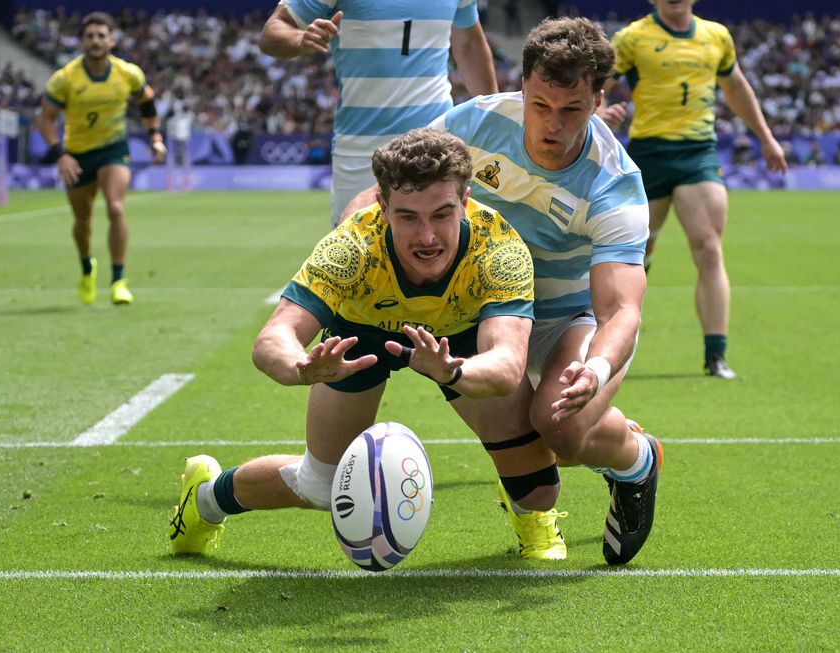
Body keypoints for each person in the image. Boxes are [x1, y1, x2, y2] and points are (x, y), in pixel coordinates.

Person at [169, 128, 570, 562]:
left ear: (465, 200)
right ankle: (206, 497)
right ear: (382, 205)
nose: (427, 236)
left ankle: (529, 515)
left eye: (441, 214)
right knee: (322, 486)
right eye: (408, 217)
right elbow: (273, 338)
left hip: (457, 338)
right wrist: (301, 367)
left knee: (539, 490)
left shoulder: (499, 251)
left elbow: (506, 364)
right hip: (361, 333)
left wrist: (453, 371)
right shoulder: (351, 247)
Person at [429, 17, 663, 566]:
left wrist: (596, 371)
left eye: (571, 109)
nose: (551, 124)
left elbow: (621, 310)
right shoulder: (474, 123)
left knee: (561, 426)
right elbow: (394, 189)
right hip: (486, 311)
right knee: (531, 459)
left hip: (568, 319)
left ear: (599, 100)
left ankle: (637, 460)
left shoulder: (614, 184)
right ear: (523, 87)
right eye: (540, 104)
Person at [601, 0, 787, 378]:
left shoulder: (716, 36)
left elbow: (736, 87)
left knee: (708, 247)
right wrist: (597, 115)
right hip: (648, 154)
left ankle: (716, 355)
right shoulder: (632, 38)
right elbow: (595, 85)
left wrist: (766, 138)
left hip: (698, 153)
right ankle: (610, 344)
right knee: (633, 251)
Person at [258, 0, 499, 227]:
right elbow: (273, 32)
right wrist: (300, 39)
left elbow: (469, 44)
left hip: (436, 142)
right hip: (361, 151)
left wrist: (497, 120)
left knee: (436, 246)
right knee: (352, 251)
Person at [34, 11, 166, 306]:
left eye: (101, 36)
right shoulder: (65, 78)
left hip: (113, 149)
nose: (95, 41)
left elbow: (146, 101)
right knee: (83, 221)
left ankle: (119, 281)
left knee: (116, 208)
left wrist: (155, 138)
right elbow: (45, 120)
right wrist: (61, 155)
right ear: (82, 41)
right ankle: (86, 267)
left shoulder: (127, 73)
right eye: (90, 36)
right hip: (78, 155)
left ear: (111, 40)